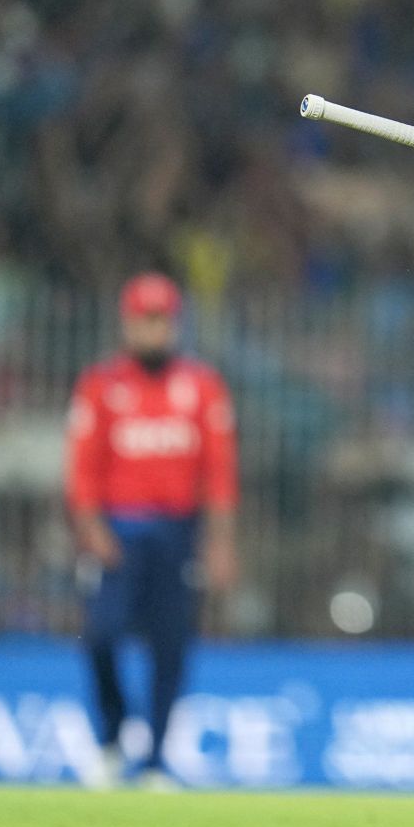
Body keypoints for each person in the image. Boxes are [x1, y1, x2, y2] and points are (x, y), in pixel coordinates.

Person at [66, 273, 239, 786]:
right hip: (117, 531)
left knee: (171, 646)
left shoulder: (202, 386)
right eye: (145, 320)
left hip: (177, 531)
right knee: (100, 636)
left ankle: (157, 760)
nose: (153, 331)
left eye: (162, 320)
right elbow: (81, 465)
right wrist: (90, 525)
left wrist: (220, 541)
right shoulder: (101, 385)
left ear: (175, 323)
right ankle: (113, 735)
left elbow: (220, 472)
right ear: (128, 322)